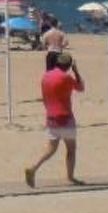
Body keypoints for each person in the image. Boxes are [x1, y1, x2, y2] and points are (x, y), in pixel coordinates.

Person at [23, 51, 84, 188]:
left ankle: (34, 167)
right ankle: (70, 176)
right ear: (68, 66)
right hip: (65, 117)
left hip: (51, 117)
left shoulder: (46, 76)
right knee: (71, 149)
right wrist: (76, 72)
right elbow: (81, 88)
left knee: (51, 148)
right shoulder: (66, 78)